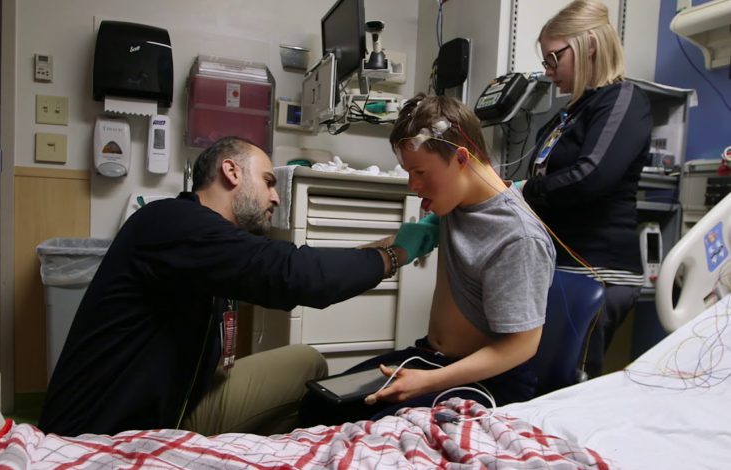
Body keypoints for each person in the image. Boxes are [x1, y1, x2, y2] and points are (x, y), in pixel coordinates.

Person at [38, 136, 439, 437]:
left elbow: (301, 266)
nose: (275, 197)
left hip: (178, 401)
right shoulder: (170, 222)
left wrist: (392, 243)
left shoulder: (208, 242)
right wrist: (396, 256)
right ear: (231, 172)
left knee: (305, 361)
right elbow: (295, 275)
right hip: (105, 430)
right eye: (268, 181)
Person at [299, 93, 556, 426]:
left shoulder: (518, 237)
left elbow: (522, 346)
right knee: (318, 405)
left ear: (461, 158)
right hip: (431, 358)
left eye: (419, 172)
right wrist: (386, 251)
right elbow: (413, 237)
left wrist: (429, 382)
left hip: (489, 380)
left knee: (378, 431)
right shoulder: (459, 203)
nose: (413, 185)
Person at [520, 0, 652, 378]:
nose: (548, 71)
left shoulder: (622, 99)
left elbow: (591, 175)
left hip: (599, 269)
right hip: (561, 266)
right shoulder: (568, 115)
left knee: (569, 379)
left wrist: (522, 190)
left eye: (553, 58)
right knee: (539, 377)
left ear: (588, 45)